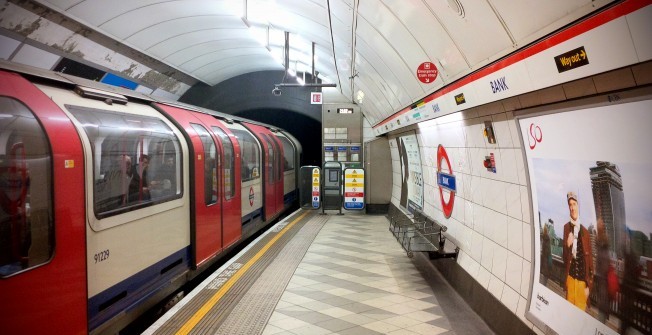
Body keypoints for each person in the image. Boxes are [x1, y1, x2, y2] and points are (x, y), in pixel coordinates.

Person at [562, 191, 593, 311]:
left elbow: (590, 264)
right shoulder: (566, 228)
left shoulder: (585, 232)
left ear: (578, 205)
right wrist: (567, 245)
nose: (572, 207)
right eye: (569, 205)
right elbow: (565, 259)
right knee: (568, 316)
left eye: (574, 204)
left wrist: (589, 287)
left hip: (582, 285)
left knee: (579, 320)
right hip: (570, 280)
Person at [594, 217, 610, 322]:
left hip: (603, 283)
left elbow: (603, 266)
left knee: (602, 311)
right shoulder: (602, 247)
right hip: (603, 283)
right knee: (602, 311)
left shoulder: (601, 247)